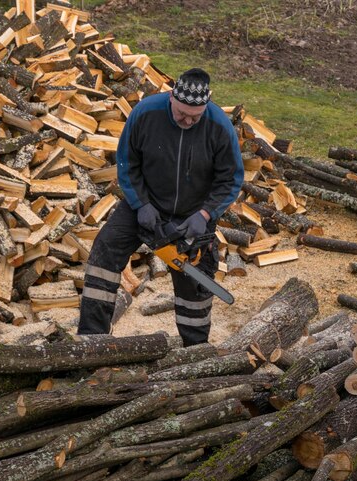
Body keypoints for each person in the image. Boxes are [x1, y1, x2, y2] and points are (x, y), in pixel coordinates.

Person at [77, 68, 244, 345]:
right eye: (181, 114)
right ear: (171, 97)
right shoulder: (146, 113)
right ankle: (91, 338)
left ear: (206, 107)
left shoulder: (219, 126)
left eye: (195, 116)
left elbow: (231, 179)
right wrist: (140, 203)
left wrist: (206, 213)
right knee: (105, 251)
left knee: (195, 280)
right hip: (145, 204)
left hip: (193, 213)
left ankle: (195, 349)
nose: (188, 121)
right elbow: (126, 162)